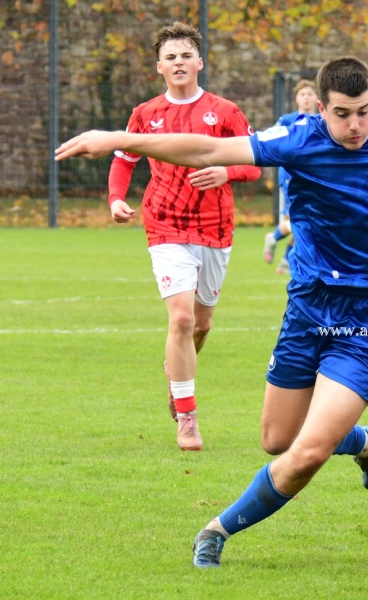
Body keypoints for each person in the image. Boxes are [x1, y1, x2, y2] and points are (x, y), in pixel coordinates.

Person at [56, 56, 368, 568]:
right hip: (309, 306)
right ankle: (364, 441)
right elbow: (207, 148)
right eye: (342, 114)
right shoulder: (298, 138)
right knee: (277, 439)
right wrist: (119, 139)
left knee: (307, 453)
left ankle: (216, 530)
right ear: (321, 108)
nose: (355, 125)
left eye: (364, 111)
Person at [106, 22, 261, 452]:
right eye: (170, 57)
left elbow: (255, 164)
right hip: (164, 223)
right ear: (159, 67)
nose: (178, 62)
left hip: (215, 228)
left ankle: (175, 373)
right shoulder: (145, 114)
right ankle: (188, 420)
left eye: (185, 55)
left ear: (200, 63)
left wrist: (227, 171)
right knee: (181, 319)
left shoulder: (225, 112)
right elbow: (123, 159)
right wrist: (116, 198)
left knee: (201, 324)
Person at [263, 79, 319, 275]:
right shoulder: (287, 120)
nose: (306, 98)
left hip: (313, 177)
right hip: (290, 176)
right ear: (296, 98)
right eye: (303, 94)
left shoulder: (322, 120)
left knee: (307, 220)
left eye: (310, 94)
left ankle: (283, 254)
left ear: (317, 98)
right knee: (299, 218)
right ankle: (277, 243)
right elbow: (268, 139)